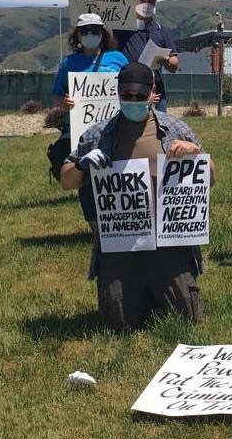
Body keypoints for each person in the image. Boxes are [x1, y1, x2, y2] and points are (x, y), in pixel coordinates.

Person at [59, 63, 213, 331]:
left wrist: (196, 153)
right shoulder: (98, 134)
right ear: (118, 93)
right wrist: (82, 165)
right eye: (126, 95)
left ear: (152, 93)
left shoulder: (176, 129)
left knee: (188, 318)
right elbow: (66, 181)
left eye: (139, 96)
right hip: (121, 242)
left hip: (167, 241)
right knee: (117, 323)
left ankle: (156, 289)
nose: (133, 100)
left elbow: (210, 176)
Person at [62, 0, 179, 110]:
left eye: (151, 2)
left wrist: (166, 60)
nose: (147, 5)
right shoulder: (120, 27)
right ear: (133, 2)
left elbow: (174, 64)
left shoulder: (160, 30)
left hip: (155, 90)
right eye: (143, 1)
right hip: (126, 89)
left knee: (158, 123)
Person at [52, 12, 130, 229]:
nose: (90, 35)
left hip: (116, 126)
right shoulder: (69, 63)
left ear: (103, 34)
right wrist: (64, 102)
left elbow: (129, 84)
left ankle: (123, 221)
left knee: (118, 170)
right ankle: (95, 226)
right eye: (85, 31)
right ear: (77, 35)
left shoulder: (118, 59)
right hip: (81, 130)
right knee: (85, 173)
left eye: (95, 30)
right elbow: (57, 96)